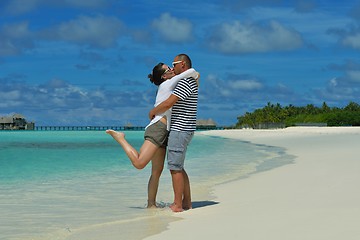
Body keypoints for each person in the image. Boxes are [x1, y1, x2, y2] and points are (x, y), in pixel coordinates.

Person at [106, 62, 199, 208]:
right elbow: (192, 72)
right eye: (169, 69)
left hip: (164, 129)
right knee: (139, 163)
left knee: (156, 171)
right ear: (164, 76)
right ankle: (121, 138)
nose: (172, 69)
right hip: (158, 128)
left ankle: (151, 205)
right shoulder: (167, 84)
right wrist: (192, 73)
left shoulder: (170, 84)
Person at [149, 54, 198, 212]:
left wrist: (153, 112)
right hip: (182, 128)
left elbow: (169, 102)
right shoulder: (188, 79)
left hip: (180, 129)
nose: (172, 67)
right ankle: (187, 202)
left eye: (174, 64)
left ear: (182, 64)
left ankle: (178, 204)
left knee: (175, 167)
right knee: (179, 167)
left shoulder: (185, 81)